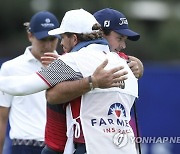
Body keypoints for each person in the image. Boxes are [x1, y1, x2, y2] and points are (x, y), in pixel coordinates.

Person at [0, 8, 139, 154]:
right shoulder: (124, 64)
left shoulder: (71, 61)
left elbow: (22, 87)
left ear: (74, 38)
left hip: (90, 148)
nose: (61, 44)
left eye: (62, 37)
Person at [0, 11, 61, 154]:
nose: (47, 45)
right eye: (42, 39)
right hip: (24, 147)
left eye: (52, 39)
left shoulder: (67, 65)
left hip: (59, 147)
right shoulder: (11, 68)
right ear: (30, 36)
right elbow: (1, 117)